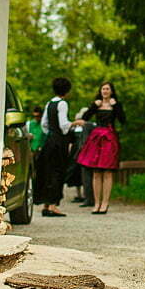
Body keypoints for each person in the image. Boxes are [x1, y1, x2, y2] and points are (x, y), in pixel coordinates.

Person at [34, 78, 84, 217]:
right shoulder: (62, 104)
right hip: (59, 142)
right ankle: (53, 205)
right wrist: (75, 123)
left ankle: (45, 204)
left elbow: (44, 124)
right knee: (58, 171)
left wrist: (51, 133)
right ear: (67, 91)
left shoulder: (50, 103)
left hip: (49, 141)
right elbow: (63, 125)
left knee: (47, 171)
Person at [76, 82, 126, 214]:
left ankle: (105, 203)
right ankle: (96, 202)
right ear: (100, 91)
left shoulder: (116, 104)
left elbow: (123, 120)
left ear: (111, 91)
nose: (105, 91)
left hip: (109, 138)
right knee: (96, 171)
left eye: (107, 89)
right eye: (103, 89)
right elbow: (85, 118)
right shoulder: (97, 104)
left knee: (107, 171)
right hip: (97, 137)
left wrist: (115, 106)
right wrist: (94, 106)